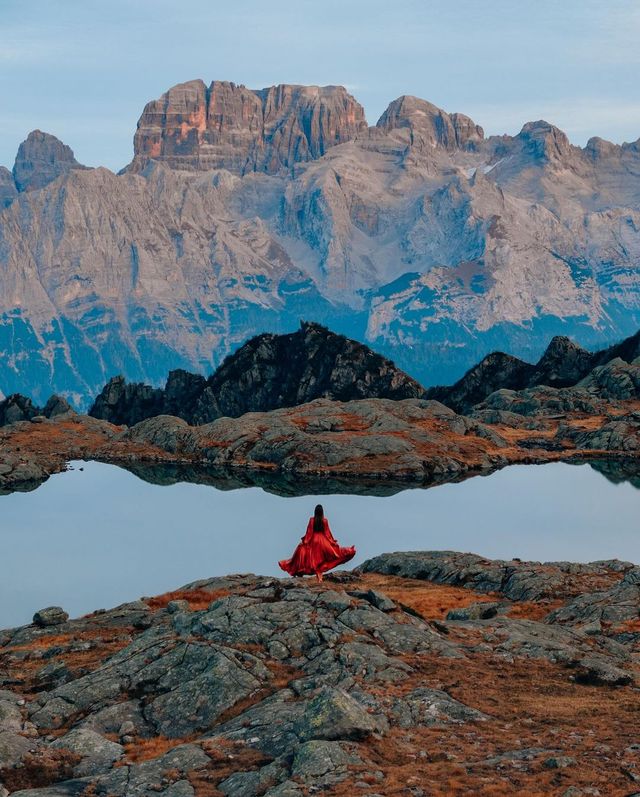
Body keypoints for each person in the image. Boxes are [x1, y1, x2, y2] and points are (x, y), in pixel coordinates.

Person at [279, 504, 356, 582]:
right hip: (323, 542)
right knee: (324, 560)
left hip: (314, 540)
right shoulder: (325, 520)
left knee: (309, 557)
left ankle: (301, 572)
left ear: (315, 512)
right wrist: (333, 542)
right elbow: (328, 533)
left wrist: (305, 542)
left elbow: (309, 533)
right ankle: (319, 578)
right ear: (322, 512)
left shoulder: (312, 520)